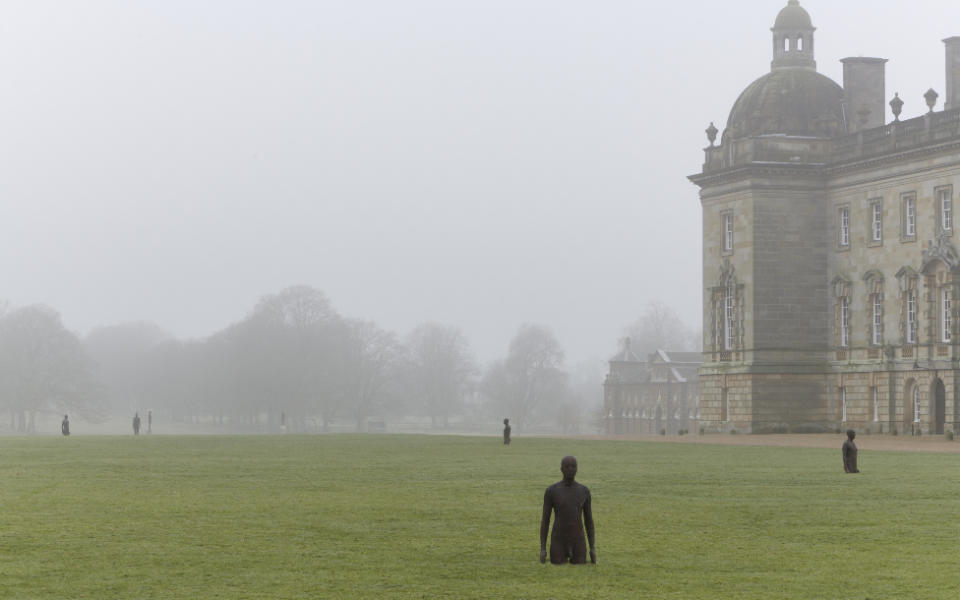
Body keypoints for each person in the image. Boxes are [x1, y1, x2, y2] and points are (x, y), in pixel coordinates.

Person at [540, 456, 596, 565]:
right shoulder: (552, 491)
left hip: (578, 541)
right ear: (561, 469)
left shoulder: (584, 491)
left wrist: (592, 548)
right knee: (557, 569)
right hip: (558, 540)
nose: (570, 469)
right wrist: (543, 548)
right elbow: (545, 521)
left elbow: (589, 521)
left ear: (577, 469)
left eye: (573, 466)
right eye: (567, 466)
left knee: (580, 571)